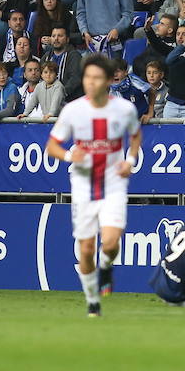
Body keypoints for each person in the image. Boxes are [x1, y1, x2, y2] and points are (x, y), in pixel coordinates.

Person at [46, 54, 141, 317]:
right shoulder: (73, 110)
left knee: (110, 243)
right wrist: (68, 155)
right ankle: (92, 300)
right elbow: (52, 145)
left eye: (97, 77)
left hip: (113, 182)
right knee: (86, 250)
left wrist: (130, 160)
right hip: (83, 183)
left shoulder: (124, 110)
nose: (91, 82)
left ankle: (107, 265)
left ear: (109, 80)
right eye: (88, 76)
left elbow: (135, 135)